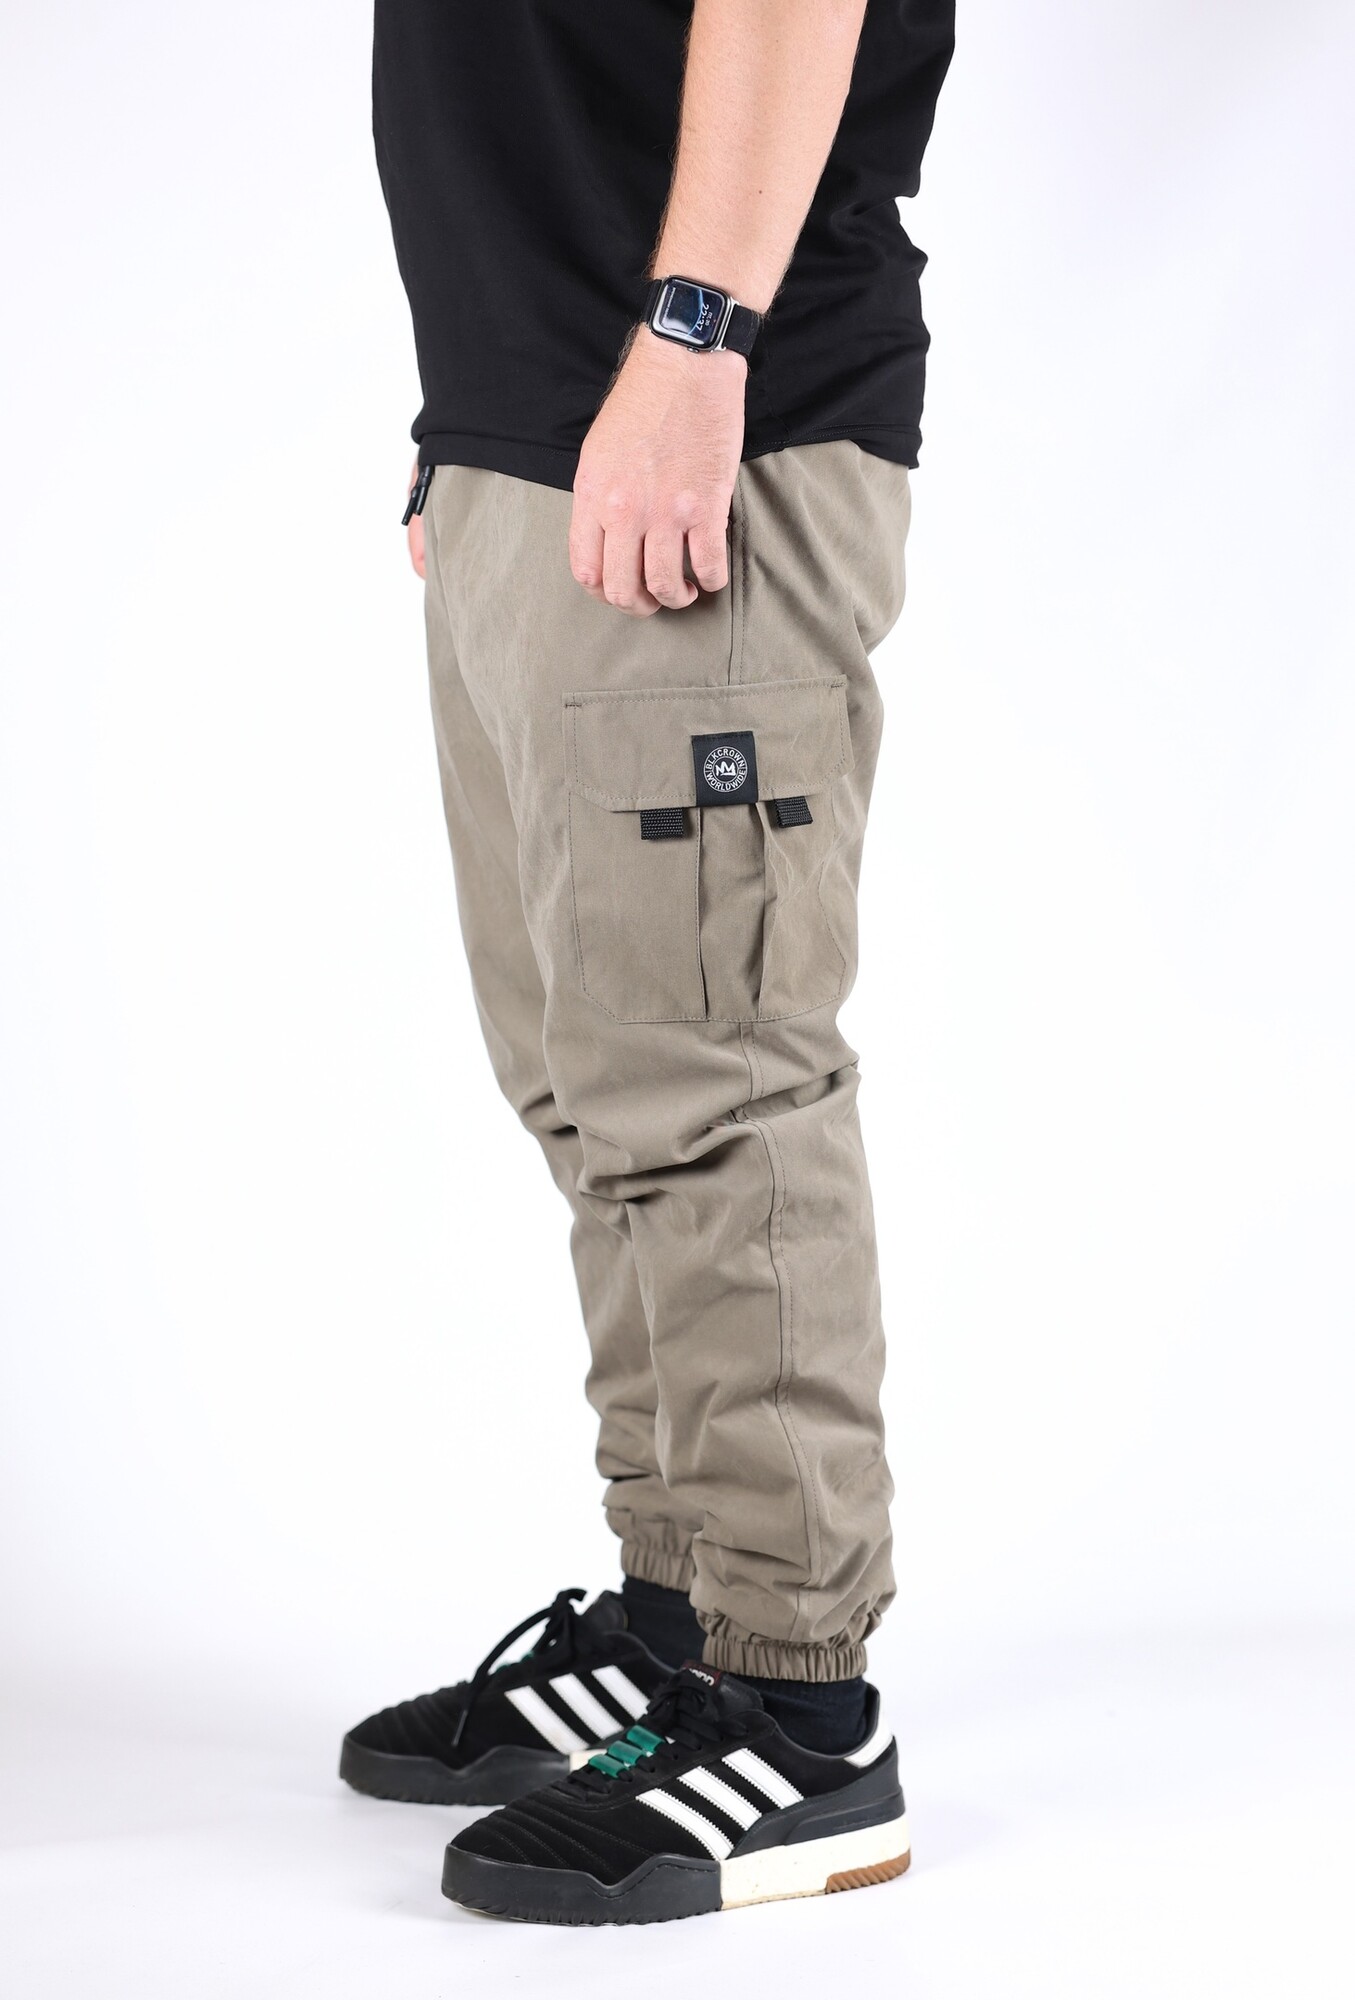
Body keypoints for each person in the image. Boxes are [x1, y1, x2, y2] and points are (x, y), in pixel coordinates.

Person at [343, 0, 954, 1925]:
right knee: (589, 1080)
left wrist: (695, 341)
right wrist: (473, 429)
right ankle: (681, 1620)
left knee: (710, 1084)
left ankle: (803, 1713)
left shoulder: (699, 364)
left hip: (703, 402)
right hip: (542, 422)